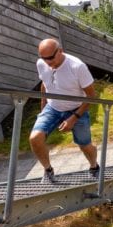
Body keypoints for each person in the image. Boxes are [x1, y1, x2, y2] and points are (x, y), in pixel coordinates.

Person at [30, 38, 100, 184]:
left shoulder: (77, 67)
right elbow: (44, 83)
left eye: (50, 58)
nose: (47, 62)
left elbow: (92, 96)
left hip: (76, 108)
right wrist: (43, 107)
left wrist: (73, 118)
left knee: (85, 146)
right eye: (43, 58)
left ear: (60, 51)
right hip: (52, 107)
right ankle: (48, 171)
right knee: (35, 138)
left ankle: (94, 167)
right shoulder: (42, 63)